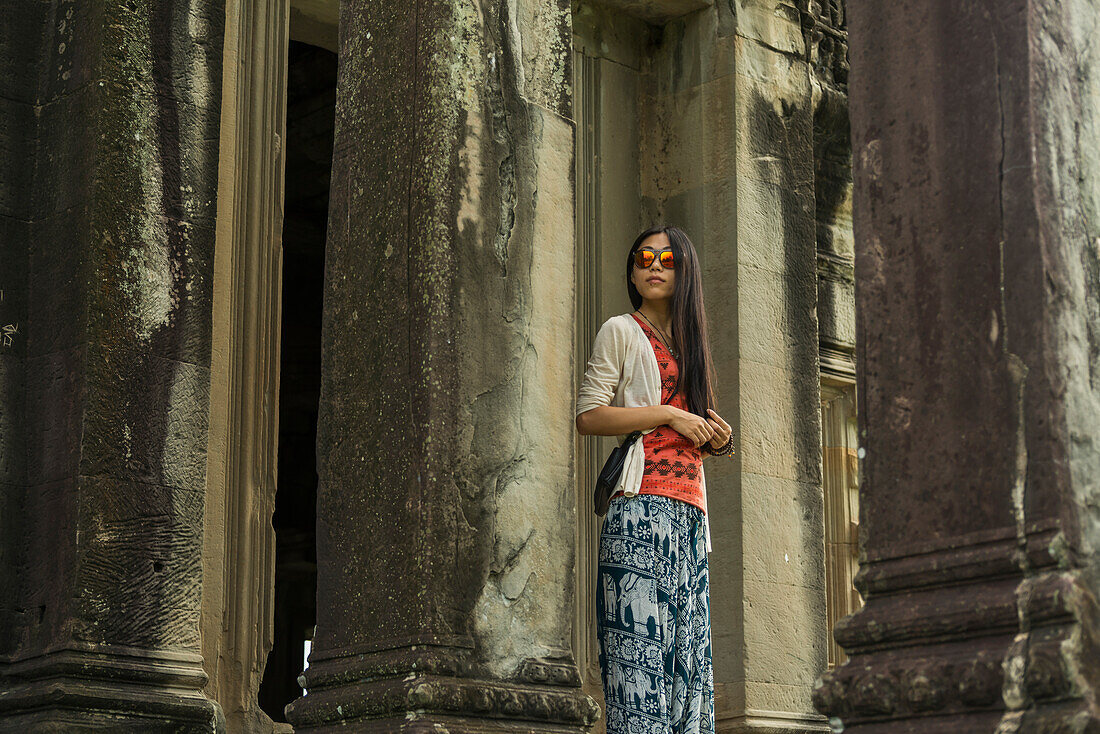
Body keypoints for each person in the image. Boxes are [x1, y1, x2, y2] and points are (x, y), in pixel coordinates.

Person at [575, 224, 733, 734]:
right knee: (640, 670)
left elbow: (694, 431)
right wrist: (665, 412)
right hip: (640, 512)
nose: (654, 265)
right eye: (644, 258)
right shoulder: (621, 330)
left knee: (689, 679)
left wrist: (717, 438)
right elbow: (589, 416)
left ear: (684, 271)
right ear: (632, 271)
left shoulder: (693, 345)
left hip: (690, 519)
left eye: (666, 258)